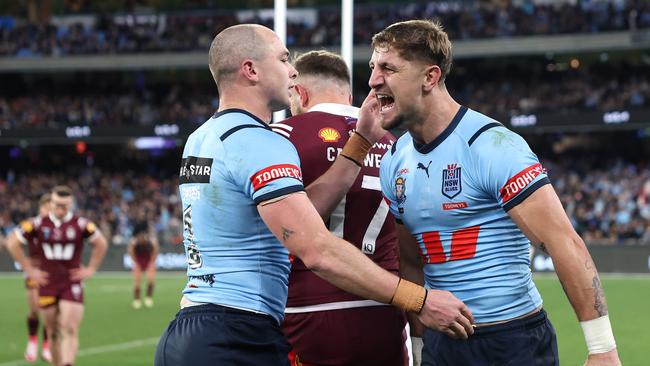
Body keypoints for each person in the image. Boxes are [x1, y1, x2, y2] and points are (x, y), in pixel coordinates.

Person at [154, 24, 474, 366]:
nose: (292, 70)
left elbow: (300, 212)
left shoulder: (204, 136)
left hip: (190, 328)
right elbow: (317, 249)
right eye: (282, 59)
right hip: (237, 335)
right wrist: (420, 300)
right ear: (251, 70)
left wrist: (361, 142)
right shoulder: (262, 142)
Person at [372, 20, 621, 365]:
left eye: (388, 68)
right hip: (442, 345)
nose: (373, 81)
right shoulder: (394, 161)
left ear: (430, 77)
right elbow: (412, 262)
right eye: (373, 67)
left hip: (512, 340)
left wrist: (602, 348)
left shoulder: (493, 145)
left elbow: (563, 242)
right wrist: (418, 346)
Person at [273, 50, 409, 366]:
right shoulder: (396, 144)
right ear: (348, 95)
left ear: (300, 93)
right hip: (385, 307)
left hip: (308, 309)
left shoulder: (282, 136)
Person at [6, 185, 108, 366]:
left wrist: (91, 268)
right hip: (47, 283)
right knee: (52, 331)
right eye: (57, 205)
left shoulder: (81, 224)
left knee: (69, 328)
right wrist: (29, 270)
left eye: (65, 205)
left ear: (71, 204)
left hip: (71, 282)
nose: (60, 209)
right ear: (51, 203)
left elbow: (101, 243)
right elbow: (12, 242)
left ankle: (68, 363)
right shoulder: (37, 223)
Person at [23, 194, 52, 362]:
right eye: (45, 207)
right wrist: (26, 264)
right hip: (34, 272)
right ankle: (32, 341)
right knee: (34, 310)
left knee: (49, 312)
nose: (48, 211)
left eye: (51, 208)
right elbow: (14, 241)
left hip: (51, 273)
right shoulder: (31, 225)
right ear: (40, 208)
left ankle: (47, 346)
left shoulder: (58, 227)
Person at [127, 221, 159, 309]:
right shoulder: (134, 242)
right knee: (137, 282)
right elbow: (131, 252)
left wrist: (152, 262)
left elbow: (155, 250)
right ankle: (136, 300)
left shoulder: (150, 241)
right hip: (139, 261)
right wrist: (136, 262)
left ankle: (148, 298)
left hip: (148, 261)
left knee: (150, 280)